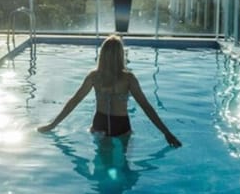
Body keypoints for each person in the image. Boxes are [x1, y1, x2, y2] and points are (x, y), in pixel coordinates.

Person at [37, 34, 182, 147]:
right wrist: (166, 133)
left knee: (101, 166)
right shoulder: (129, 78)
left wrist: (52, 125)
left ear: (102, 54)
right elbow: (146, 107)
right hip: (121, 126)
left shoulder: (94, 76)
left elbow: (74, 101)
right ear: (121, 55)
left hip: (100, 124)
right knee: (123, 167)